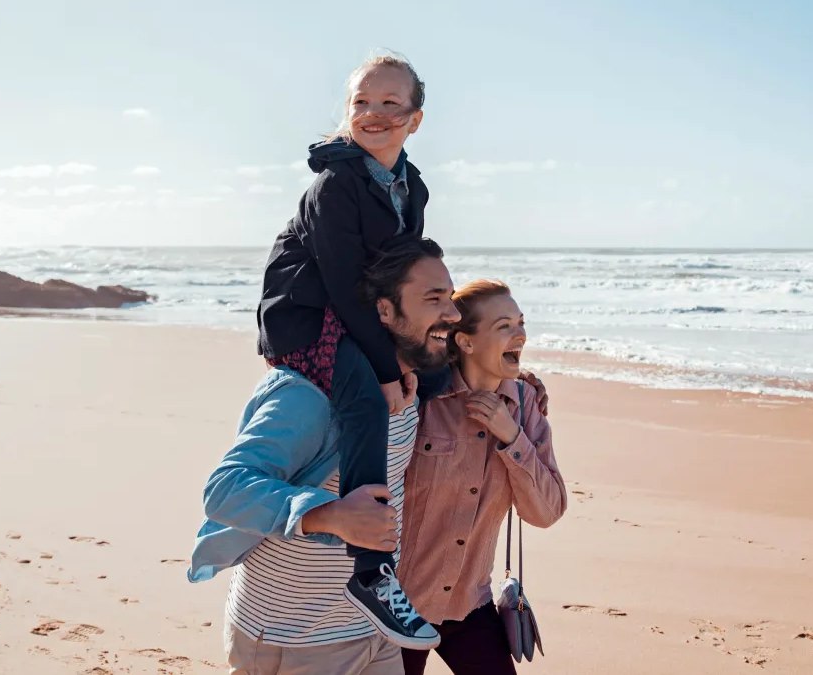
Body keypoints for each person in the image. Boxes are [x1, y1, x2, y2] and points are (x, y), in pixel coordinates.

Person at [190, 239, 458, 674]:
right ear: (385, 311)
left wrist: (516, 388)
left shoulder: (409, 387)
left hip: (372, 630)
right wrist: (329, 515)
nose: (453, 312)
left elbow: (472, 361)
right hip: (291, 639)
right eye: (434, 298)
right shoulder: (310, 396)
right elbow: (225, 489)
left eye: (450, 296)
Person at [255, 52, 436, 645]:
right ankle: (372, 573)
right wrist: (387, 367)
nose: (374, 114)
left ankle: (429, 522)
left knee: (441, 368)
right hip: (307, 315)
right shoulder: (336, 183)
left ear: (415, 118)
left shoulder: (413, 186)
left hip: (359, 307)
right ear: (347, 111)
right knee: (365, 397)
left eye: (390, 104)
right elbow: (338, 282)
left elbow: (401, 273)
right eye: (362, 102)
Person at [398, 280, 568, 675]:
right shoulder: (418, 397)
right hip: (399, 608)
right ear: (467, 342)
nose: (520, 333)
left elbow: (547, 511)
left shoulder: (525, 406)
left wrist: (513, 436)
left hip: (468, 604)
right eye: (504, 325)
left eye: (521, 322)